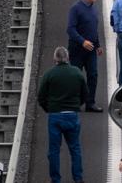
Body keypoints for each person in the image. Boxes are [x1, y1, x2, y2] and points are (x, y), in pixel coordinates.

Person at [36, 46, 87, 183]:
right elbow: (85, 94)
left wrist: (49, 108)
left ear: (55, 59)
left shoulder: (49, 75)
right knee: (75, 149)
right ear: (68, 58)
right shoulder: (77, 73)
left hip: (55, 116)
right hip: (72, 115)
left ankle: (56, 179)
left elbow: (41, 96)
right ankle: (78, 178)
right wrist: (76, 105)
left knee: (54, 151)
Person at [66, 0, 103, 112]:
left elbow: (93, 28)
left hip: (91, 49)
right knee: (76, 76)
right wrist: (83, 42)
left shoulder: (94, 8)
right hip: (77, 49)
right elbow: (70, 29)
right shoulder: (75, 8)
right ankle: (74, 103)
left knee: (93, 75)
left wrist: (97, 45)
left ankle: (90, 103)